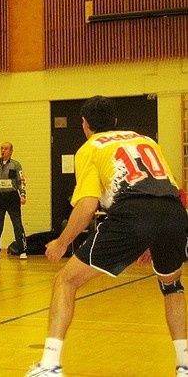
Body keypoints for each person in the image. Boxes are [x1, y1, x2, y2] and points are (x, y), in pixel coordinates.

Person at [25, 96, 188, 377]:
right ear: (115, 121)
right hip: (174, 213)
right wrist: (151, 238)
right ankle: (185, 365)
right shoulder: (145, 140)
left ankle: (49, 366)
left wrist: (61, 243)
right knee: (172, 286)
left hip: (132, 213)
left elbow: (87, 206)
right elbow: (162, 186)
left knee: (65, 280)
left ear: (84, 124)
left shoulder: (90, 147)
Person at [0, 142, 28, 260]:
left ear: (11, 151)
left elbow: (21, 181)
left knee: (17, 224)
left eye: (6, 148)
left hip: (12, 197)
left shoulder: (15, 165)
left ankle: (22, 250)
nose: (3, 150)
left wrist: (22, 194)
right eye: (2, 148)